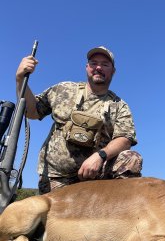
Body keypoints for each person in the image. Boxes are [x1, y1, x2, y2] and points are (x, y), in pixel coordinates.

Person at [16, 45, 143, 194]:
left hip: (96, 176)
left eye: (105, 64)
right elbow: (32, 111)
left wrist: (100, 156)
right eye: (94, 63)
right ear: (87, 67)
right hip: (57, 177)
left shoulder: (119, 105)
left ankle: (118, 210)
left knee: (131, 158)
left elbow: (125, 139)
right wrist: (19, 79)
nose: (98, 67)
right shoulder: (63, 89)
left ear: (113, 71)